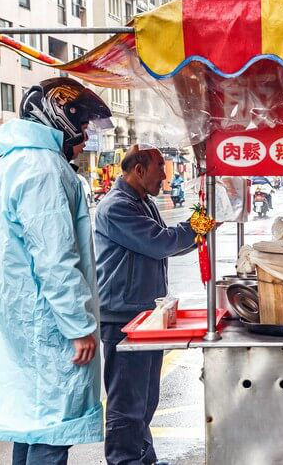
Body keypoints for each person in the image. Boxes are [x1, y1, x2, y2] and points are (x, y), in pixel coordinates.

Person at [0, 78, 113, 465]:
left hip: (29, 319)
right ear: (61, 116)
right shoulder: (43, 168)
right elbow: (55, 258)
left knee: (33, 424)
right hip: (48, 326)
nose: (87, 133)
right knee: (51, 429)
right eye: (85, 122)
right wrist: (78, 326)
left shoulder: (17, 162)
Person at [94, 145, 197, 465]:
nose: (164, 176)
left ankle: (143, 458)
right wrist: (200, 225)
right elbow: (160, 242)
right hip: (122, 316)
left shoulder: (141, 202)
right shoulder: (116, 207)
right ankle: (124, 460)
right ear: (138, 170)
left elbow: (163, 238)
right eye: (160, 169)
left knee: (146, 397)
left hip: (143, 313)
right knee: (127, 400)